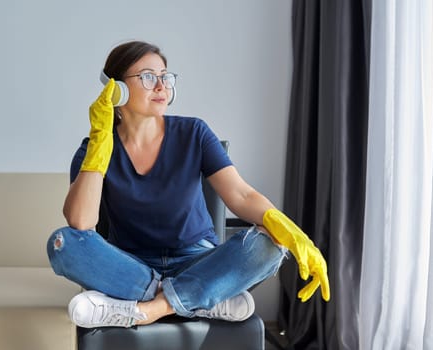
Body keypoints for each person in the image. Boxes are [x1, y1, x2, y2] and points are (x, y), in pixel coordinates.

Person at [47, 40, 330, 329]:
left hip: (197, 259)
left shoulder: (194, 132)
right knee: (61, 244)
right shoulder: (93, 147)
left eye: (165, 77)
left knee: (270, 244)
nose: (161, 86)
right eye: (147, 77)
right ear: (115, 88)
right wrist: (100, 144)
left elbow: (241, 195)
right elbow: (81, 222)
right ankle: (200, 298)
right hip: (132, 264)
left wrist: (284, 225)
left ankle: (150, 308)